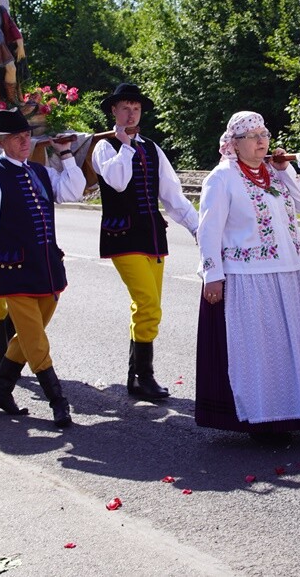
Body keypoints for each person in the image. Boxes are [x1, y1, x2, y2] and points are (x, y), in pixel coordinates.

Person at [195, 112, 300, 445]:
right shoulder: (221, 178)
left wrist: (286, 171)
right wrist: (212, 275)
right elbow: (209, 230)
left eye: (264, 134)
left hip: (291, 271)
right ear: (234, 143)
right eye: (252, 136)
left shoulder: (273, 174)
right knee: (262, 351)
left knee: (292, 346)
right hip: (250, 276)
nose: (262, 141)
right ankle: (266, 420)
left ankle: (299, 408)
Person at [0, 108, 86, 428]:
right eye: (17, 137)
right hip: (11, 269)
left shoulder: (40, 171)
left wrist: (66, 155)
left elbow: (73, 191)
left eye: (27, 135)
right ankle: (57, 399)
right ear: (1, 142)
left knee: (30, 335)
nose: (24, 141)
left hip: (46, 267)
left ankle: (1, 389)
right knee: (35, 337)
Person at [92, 83, 199, 401]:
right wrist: (125, 146)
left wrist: (198, 229)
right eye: (124, 108)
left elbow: (172, 195)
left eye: (135, 108)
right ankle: (143, 376)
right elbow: (118, 181)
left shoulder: (152, 148)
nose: (130, 113)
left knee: (149, 308)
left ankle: (136, 376)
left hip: (153, 235)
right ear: (113, 110)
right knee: (148, 305)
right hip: (122, 237)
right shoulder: (104, 147)